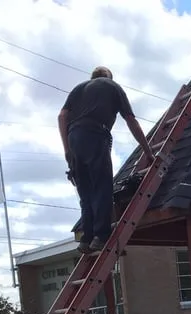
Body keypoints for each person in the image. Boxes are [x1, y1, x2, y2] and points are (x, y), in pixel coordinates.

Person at [58, 66, 156, 254]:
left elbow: (62, 116)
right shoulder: (113, 87)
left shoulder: (78, 88)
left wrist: (67, 151)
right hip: (95, 134)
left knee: (86, 192)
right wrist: (148, 151)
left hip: (73, 138)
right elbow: (130, 120)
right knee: (102, 186)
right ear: (109, 77)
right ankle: (101, 237)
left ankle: (86, 239)